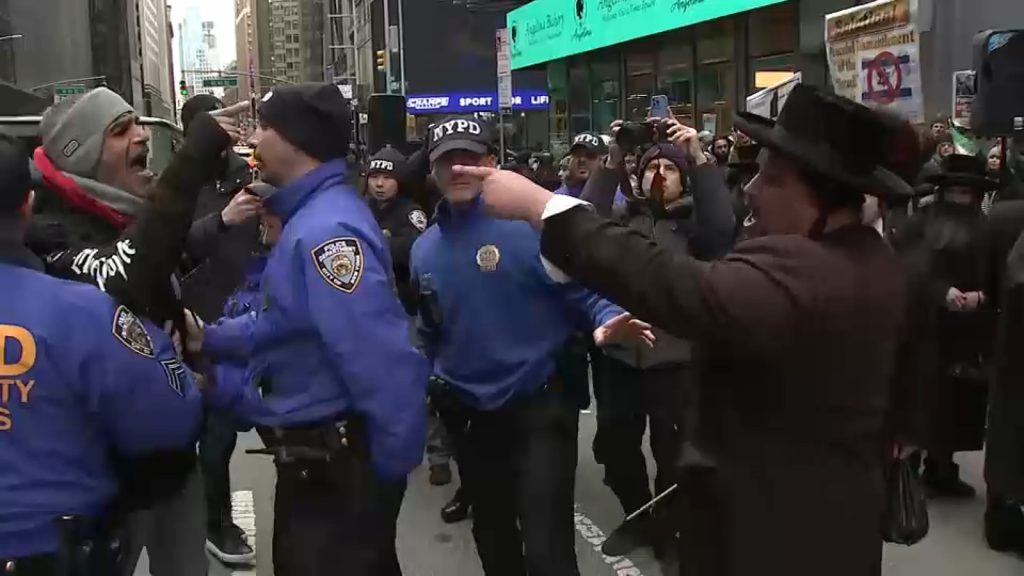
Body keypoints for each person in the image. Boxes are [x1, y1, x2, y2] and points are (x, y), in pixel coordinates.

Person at [457, 84, 914, 576]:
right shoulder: (862, 258)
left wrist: (542, 207)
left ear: (822, 196)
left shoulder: (816, 271)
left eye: (773, 177)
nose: (754, 189)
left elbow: (682, 286)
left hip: (785, 539)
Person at [187, 83, 428, 576]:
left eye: (265, 127)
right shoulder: (308, 220)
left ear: (297, 140)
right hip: (317, 468)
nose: (254, 137)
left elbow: (380, 362)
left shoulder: (327, 233)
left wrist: (378, 479)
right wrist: (209, 338)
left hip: (336, 475)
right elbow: (287, 322)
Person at [410, 114, 654, 576]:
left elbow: (588, 289)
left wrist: (606, 320)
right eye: (447, 162)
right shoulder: (425, 249)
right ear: (433, 172)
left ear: (493, 162)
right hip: (470, 418)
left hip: (539, 409)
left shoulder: (533, 224)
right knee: (494, 539)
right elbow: (428, 332)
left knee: (547, 549)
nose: (458, 170)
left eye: (470, 159)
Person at [26, 86, 245, 576]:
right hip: (103, 479)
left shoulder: (129, 215)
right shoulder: (51, 235)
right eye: (121, 130)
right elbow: (126, 274)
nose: (142, 135)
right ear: (80, 157)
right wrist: (192, 158)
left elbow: (162, 262)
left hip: (171, 462)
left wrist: (190, 353)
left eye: (137, 123)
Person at [0, 133, 203, 575]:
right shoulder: (80, 312)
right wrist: (165, 359)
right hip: (54, 548)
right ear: (27, 205)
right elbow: (169, 416)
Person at [580, 119, 735, 558]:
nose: (660, 176)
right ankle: (637, 517)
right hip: (620, 357)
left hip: (675, 358)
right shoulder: (623, 218)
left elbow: (723, 229)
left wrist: (699, 158)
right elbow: (583, 219)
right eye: (651, 168)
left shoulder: (694, 228)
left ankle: (668, 529)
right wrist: (613, 159)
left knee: (674, 452)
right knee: (614, 445)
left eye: (670, 169)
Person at [176, 93, 261, 566]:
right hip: (195, 325)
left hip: (253, 316)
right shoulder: (178, 186)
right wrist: (220, 222)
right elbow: (166, 245)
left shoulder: (249, 177)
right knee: (215, 434)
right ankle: (217, 521)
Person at [902, 154, 999, 499]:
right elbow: (908, 269)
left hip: (966, 333)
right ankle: (908, 468)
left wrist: (981, 297)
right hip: (925, 329)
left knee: (958, 405)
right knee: (920, 399)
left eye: (967, 192)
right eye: (955, 191)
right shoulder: (921, 224)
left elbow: (998, 278)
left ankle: (943, 468)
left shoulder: (988, 228)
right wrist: (941, 291)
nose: (961, 198)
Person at [365, 146, 428, 315]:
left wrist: (371, 244)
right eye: (374, 177)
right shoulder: (359, 209)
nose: (379, 184)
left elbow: (412, 250)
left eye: (386, 178)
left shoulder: (411, 212)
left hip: (405, 303)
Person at [556, 132, 606, 198]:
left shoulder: (615, 198)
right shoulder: (556, 199)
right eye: (577, 155)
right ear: (569, 161)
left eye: (589, 155)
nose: (582, 160)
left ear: (602, 161)